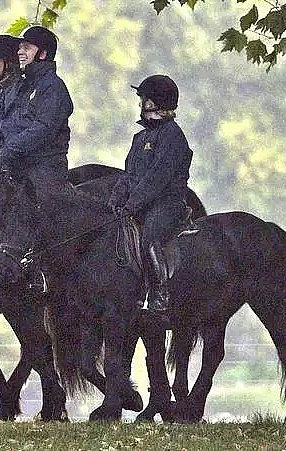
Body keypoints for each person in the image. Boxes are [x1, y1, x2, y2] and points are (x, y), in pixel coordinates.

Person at [0, 26, 74, 289]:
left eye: (27, 47)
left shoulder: (54, 88)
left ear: (42, 54)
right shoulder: (16, 86)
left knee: (36, 210)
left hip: (43, 168)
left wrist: (5, 152)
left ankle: (43, 272)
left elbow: (42, 129)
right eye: (20, 47)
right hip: (11, 163)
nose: (20, 51)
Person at [107, 75, 193, 316]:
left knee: (149, 237)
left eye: (144, 99)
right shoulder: (140, 137)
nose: (140, 103)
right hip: (141, 204)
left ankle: (159, 292)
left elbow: (156, 179)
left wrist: (132, 204)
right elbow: (129, 175)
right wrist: (115, 200)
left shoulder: (172, 136)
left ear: (155, 102)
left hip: (166, 204)